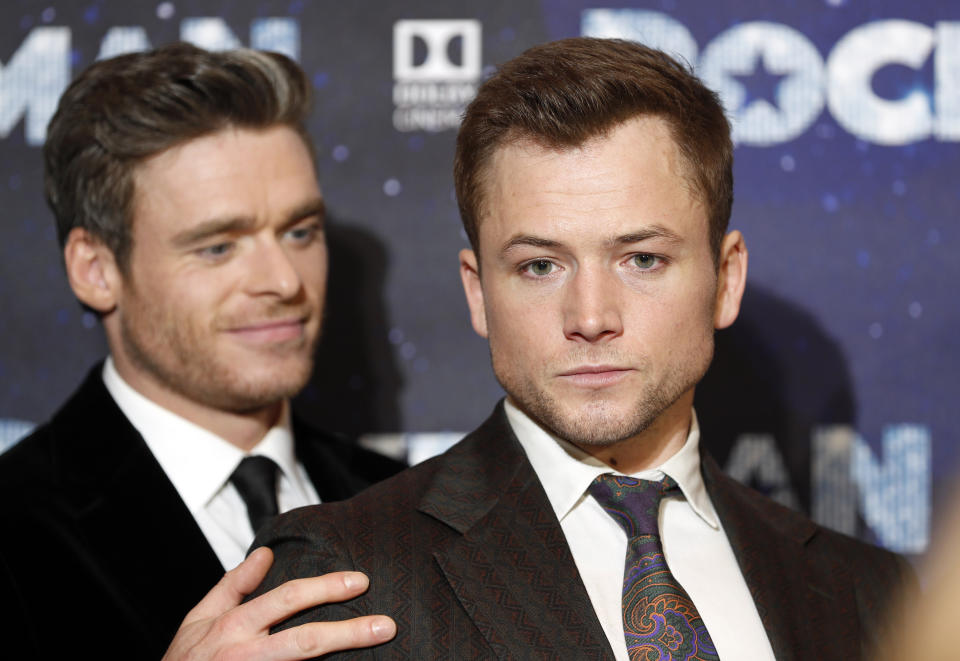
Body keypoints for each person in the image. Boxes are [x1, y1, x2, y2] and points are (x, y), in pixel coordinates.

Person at [250, 38, 914, 659]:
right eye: (541, 266)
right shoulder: (345, 573)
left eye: (643, 259)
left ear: (726, 280)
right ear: (479, 293)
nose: (591, 317)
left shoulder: (875, 596)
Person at [0, 43, 402, 659]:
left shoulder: (403, 500)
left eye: (300, 232)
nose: (284, 281)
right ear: (95, 269)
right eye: (218, 246)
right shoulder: (18, 531)